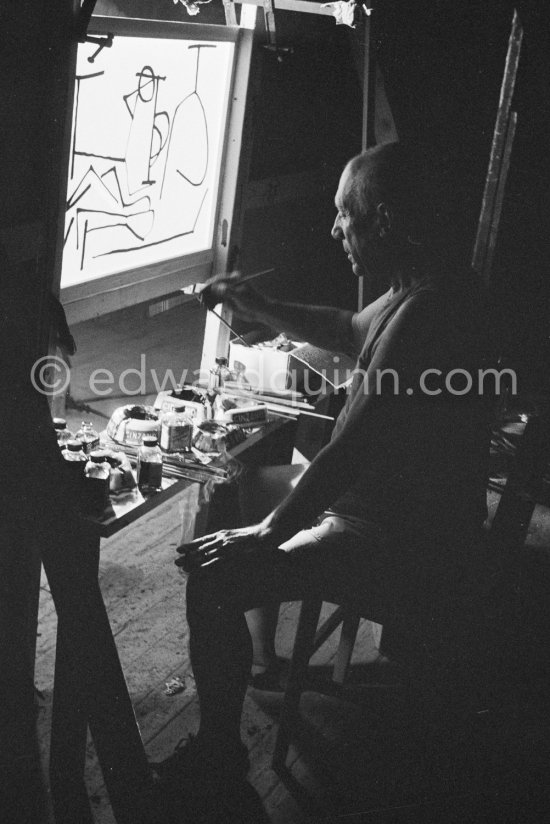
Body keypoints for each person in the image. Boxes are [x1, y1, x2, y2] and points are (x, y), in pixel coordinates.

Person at [165, 143, 490, 800]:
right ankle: (259, 658)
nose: (335, 229)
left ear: (385, 220)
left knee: (213, 581)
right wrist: (260, 305)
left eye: (346, 214)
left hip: (398, 539)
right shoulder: (416, 287)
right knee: (234, 488)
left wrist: (268, 533)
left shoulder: (426, 312)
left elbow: (347, 455)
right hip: (386, 510)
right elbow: (347, 327)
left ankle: (220, 755)